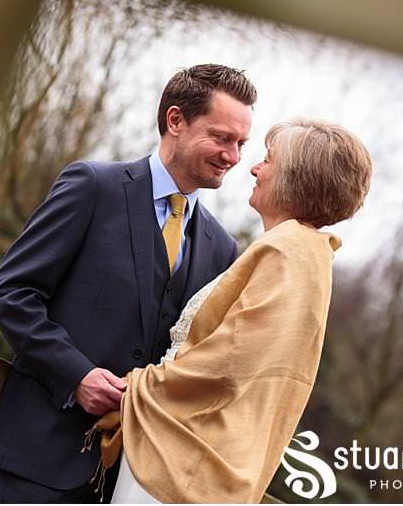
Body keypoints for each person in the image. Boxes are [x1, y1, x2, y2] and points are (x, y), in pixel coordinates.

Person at [0, 65, 258, 503]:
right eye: (222, 137)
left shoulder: (220, 247)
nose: (234, 156)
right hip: (40, 456)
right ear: (175, 121)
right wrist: (77, 375)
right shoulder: (92, 187)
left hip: (130, 483)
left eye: (241, 143)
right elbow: (12, 293)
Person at [92, 119, 374, 504]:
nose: (255, 168)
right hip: (180, 449)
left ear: (296, 177)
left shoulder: (289, 250)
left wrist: (142, 386)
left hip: (183, 463)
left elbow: (234, 357)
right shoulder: (299, 250)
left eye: (268, 160)